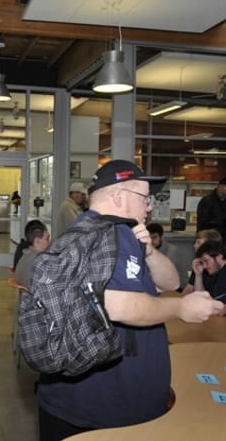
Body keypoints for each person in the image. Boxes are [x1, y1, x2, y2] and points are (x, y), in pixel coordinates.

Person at [36, 159, 224, 441]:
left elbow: (171, 282)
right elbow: (119, 306)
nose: (148, 207)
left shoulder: (107, 231)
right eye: (144, 198)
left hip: (91, 404)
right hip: (100, 410)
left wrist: (148, 251)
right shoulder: (108, 235)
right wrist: (182, 307)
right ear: (118, 196)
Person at [146, 222, 189, 291]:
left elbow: (164, 276)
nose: (151, 241)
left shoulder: (172, 251)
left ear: (162, 238)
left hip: (178, 287)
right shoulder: (149, 249)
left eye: (154, 237)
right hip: (161, 285)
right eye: (149, 238)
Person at [181, 229, 223, 295]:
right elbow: (190, 287)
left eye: (198, 242)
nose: (194, 246)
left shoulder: (219, 270)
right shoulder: (199, 263)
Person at [14, 220, 50, 287]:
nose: (50, 242)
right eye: (47, 239)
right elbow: (50, 283)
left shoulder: (24, 256)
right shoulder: (40, 261)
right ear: (37, 241)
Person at [191, 240, 226, 308]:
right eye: (202, 262)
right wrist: (198, 275)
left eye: (206, 261)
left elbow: (214, 306)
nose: (204, 266)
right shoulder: (215, 272)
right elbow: (200, 297)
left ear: (219, 257)